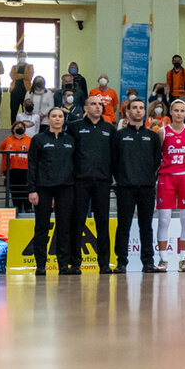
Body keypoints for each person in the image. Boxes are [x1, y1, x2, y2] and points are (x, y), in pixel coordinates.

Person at [66, 95, 115, 273]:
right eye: (93, 104)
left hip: (102, 182)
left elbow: (114, 156)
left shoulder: (109, 128)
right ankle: (75, 263)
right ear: (85, 107)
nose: (97, 107)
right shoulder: (74, 127)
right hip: (80, 181)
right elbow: (69, 155)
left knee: (102, 223)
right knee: (77, 221)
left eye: (100, 104)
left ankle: (104, 264)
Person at [112, 99, 161, 273]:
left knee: (146, 226)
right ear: (127, 112)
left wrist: (148, 177)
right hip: (125, 187)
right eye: (135, 108)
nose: (138, 111)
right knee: (123, 226)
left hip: (147, 187)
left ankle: (148, 262)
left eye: (141, 108)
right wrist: (122, 179)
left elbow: (156, 161)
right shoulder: (119, 135)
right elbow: (114, 160)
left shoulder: (153, 136)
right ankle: (121, 262)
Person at [27, 108, 75, 275]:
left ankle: (63, 265)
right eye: (54, 116)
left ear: (64, 119)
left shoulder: (70, 139)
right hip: (43, 188)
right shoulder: (38, 139)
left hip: (66, 187)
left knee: (64, 227)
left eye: (60, 116)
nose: (57, 119)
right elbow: (32, 165)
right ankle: (40, 265)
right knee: (41, 226)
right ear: (48, 119)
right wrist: (32, 189)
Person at [154, 99, 185, 271]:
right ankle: (163, 259)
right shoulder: (163, 132)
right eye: (176, 110)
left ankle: (183, 260)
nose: (179, 113)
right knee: (164, 220)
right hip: (167, 177)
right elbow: (156, 156)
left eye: (182, 110)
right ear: (171, 112)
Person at [0, 123, 31, 213]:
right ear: (13, 129)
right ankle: (17, 209)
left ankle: (28, 208)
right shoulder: (7, 140)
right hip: (11, 170)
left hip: (26, 169)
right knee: (15, 190)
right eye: (17, 126)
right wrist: (0, 169)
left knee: (26, 189)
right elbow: (0, 154)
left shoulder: (30, 140)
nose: (19, 128)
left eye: (21, 126)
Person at [8, 50, 33, 123]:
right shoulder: (14, 67)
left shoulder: (29, 66)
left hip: (25, 90)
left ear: (26, 57)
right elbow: (12, 76)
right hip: (15, 90)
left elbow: (29, 76)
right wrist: (23, 76)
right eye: (20, 56)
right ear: (17, 57)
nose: (22, 58)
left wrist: (19, 75)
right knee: (13, 109)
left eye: (23, 56)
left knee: (25, 108)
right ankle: (13, 125)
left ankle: (26, 125)